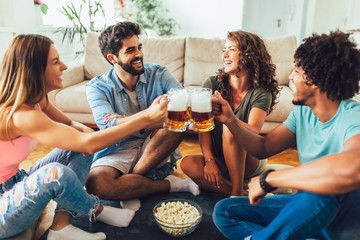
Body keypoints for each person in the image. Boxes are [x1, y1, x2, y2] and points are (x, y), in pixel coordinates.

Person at [0, 34, 169, 239]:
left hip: (17, 181)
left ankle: (61, 227)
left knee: (81, 144)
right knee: (57, 173)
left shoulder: (36, 100)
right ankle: (97, 210)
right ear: (34, 70)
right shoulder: (20, 116)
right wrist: (146, 118)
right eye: (55, 62)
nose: (64, 66)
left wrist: (86, 131)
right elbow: (87, 145)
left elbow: (72, 125)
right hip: (3, 207)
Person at [212, 30, 360, 239]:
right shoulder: (303, 111)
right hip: (306, 211)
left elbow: (351, 170)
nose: (290, 77)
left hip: (341, 222)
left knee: (319, 189)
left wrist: (269, 179)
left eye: (296, 71)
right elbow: (263, 148)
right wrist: (231, 120)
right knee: (225, 210)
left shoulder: (354, 118)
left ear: (315, 78)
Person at [85, 21, 199, 210]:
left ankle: (130, 184)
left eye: (139, 47)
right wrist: (148, 116)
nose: (139, 54)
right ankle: (171, 185)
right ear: (113, 58)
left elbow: (182, 101)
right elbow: (108, 125)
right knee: (96, 184)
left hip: (153, 143)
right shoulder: (97, 87)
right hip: (118, 148)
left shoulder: (159, 73)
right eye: (130, 50)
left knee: (177, 124)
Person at [181, 30, 279, 197]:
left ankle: (234, 196)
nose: (225, 54)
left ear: (249, 55)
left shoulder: (262, 92)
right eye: (224, 50)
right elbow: (203, 127)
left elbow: (253, 130)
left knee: (230, 128)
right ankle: (243, 193)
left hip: (250, 159)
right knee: (187, 164)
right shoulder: (212, 83)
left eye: (231, 49)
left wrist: (230, 119)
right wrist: (210, 161)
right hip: (220, 156)